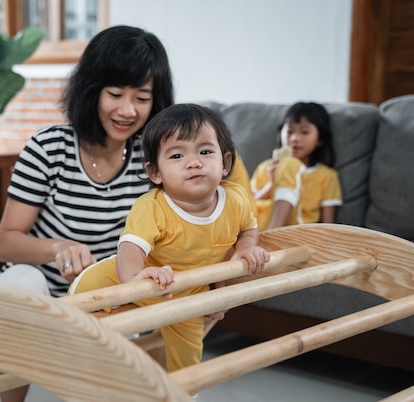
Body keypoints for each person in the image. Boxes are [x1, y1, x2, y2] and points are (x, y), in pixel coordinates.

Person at [0, 26, 254, 402]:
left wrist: (213, 284)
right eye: (115, 94)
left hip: (119, 296)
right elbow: (6, 242)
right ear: (91, 89)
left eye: (142, 97)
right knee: (17, 281)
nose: (127, 110)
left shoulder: (158, 159)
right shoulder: (49, 147)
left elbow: (199, 226)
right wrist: (58, 247)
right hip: (46, 293)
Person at [69, 103, 270, 374]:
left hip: (186, 293)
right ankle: (79, 350)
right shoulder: (152, 207)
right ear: (155, 173)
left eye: (205, 151)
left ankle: (182, 398)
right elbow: (129, 249)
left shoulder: (235, 199)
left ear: (226, 163)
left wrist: (246, 248)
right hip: (137, 275)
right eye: (177, 156)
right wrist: (135, 280)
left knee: (187, 363)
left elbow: (248, 228)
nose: (194, 161)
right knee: (86, 297)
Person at [250, 102, 342, 231]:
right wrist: (270, 186)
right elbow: (247, 206)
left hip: (298, 235)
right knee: (290, 164)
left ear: (320, 139)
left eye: (304, 132)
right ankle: (271, 233)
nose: (295, 138)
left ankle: (274, 232)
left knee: (291, 164)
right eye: (289, 132)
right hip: (258, 229)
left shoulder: (327, 175)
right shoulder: (266, 167)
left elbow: (329, 225)